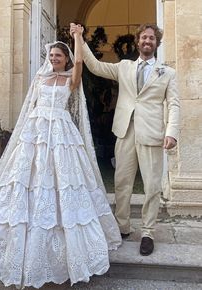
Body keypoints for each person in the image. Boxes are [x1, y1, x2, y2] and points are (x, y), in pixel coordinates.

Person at [0, 26, 121, 288]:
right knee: (30, 180)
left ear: (66, 58)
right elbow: (31, 106)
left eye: (58, 57)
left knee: (63, 181)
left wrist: (76, 37)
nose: (53, 60)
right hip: (36, 132)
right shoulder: (40, 79)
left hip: (61, 132)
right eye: (51, 56)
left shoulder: (72, 76)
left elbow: (81, 62)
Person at [70, 23, 180, 256]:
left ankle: (148, 232)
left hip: (152, 133)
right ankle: (123, 226)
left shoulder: (167, 72)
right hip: (124, 131)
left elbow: (174, 104)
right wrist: (79, 38)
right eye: (143, 37)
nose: (147, 41)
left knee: (151, 186)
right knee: (122, 183)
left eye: (151, 38)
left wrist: (171, 132)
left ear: (156, 43)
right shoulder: (124, 67)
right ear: (138, 41)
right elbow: (95, 66)